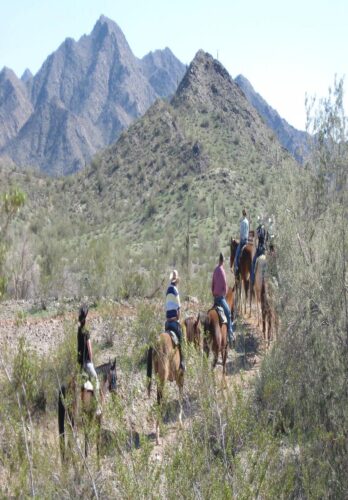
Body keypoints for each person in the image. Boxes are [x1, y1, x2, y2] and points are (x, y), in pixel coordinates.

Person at [77, 304, 101, 414]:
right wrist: (91, 360)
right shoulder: (86, 332)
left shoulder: (79, 330)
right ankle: (97, 407)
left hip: (79, 364)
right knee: (96, 380)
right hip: (86, 363)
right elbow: (90, 349)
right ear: (85, 318)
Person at [212, 252, 234, 348]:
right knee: (228, 313)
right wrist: (224, 293)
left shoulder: (215, 270)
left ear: (218, 260)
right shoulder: (222, 270)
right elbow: (225, 285)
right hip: (221, 298)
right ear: (223, 261)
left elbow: (212, 284)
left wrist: (213, 292)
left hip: (215, 298)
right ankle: (230, 334)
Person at [165, 270, 185, 371]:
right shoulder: (175, 290)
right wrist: (178, 318)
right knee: (181, 340)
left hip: (167, 322)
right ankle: (182, 362)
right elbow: (179, 308)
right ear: (176, 280)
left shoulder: (168, 290)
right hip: (173, 321)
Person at [251, 216, 266, 285]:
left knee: (253, 262)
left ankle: (252, 280)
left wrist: (255, 245)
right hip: (264, 249)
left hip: (259, 249)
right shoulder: (265, 229)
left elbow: (256, 238)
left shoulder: (259, 229)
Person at [234, 208, 249, 276]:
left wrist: (239, 239)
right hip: (247, 241)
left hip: (242, 241)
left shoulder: (242, 222)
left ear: (242, 214)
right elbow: (247, 231)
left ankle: (236, 268)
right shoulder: (247, 221)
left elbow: (241, 233)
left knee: (236, 255)